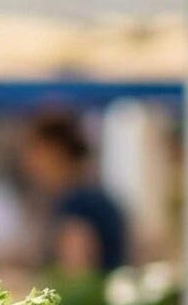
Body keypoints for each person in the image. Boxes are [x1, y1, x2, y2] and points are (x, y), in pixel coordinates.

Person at [18, 111, 129, 274]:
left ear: (55, 152)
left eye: (35, 153)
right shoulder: (92, 196)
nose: (29, 165)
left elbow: (75, 269)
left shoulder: (79, 203)